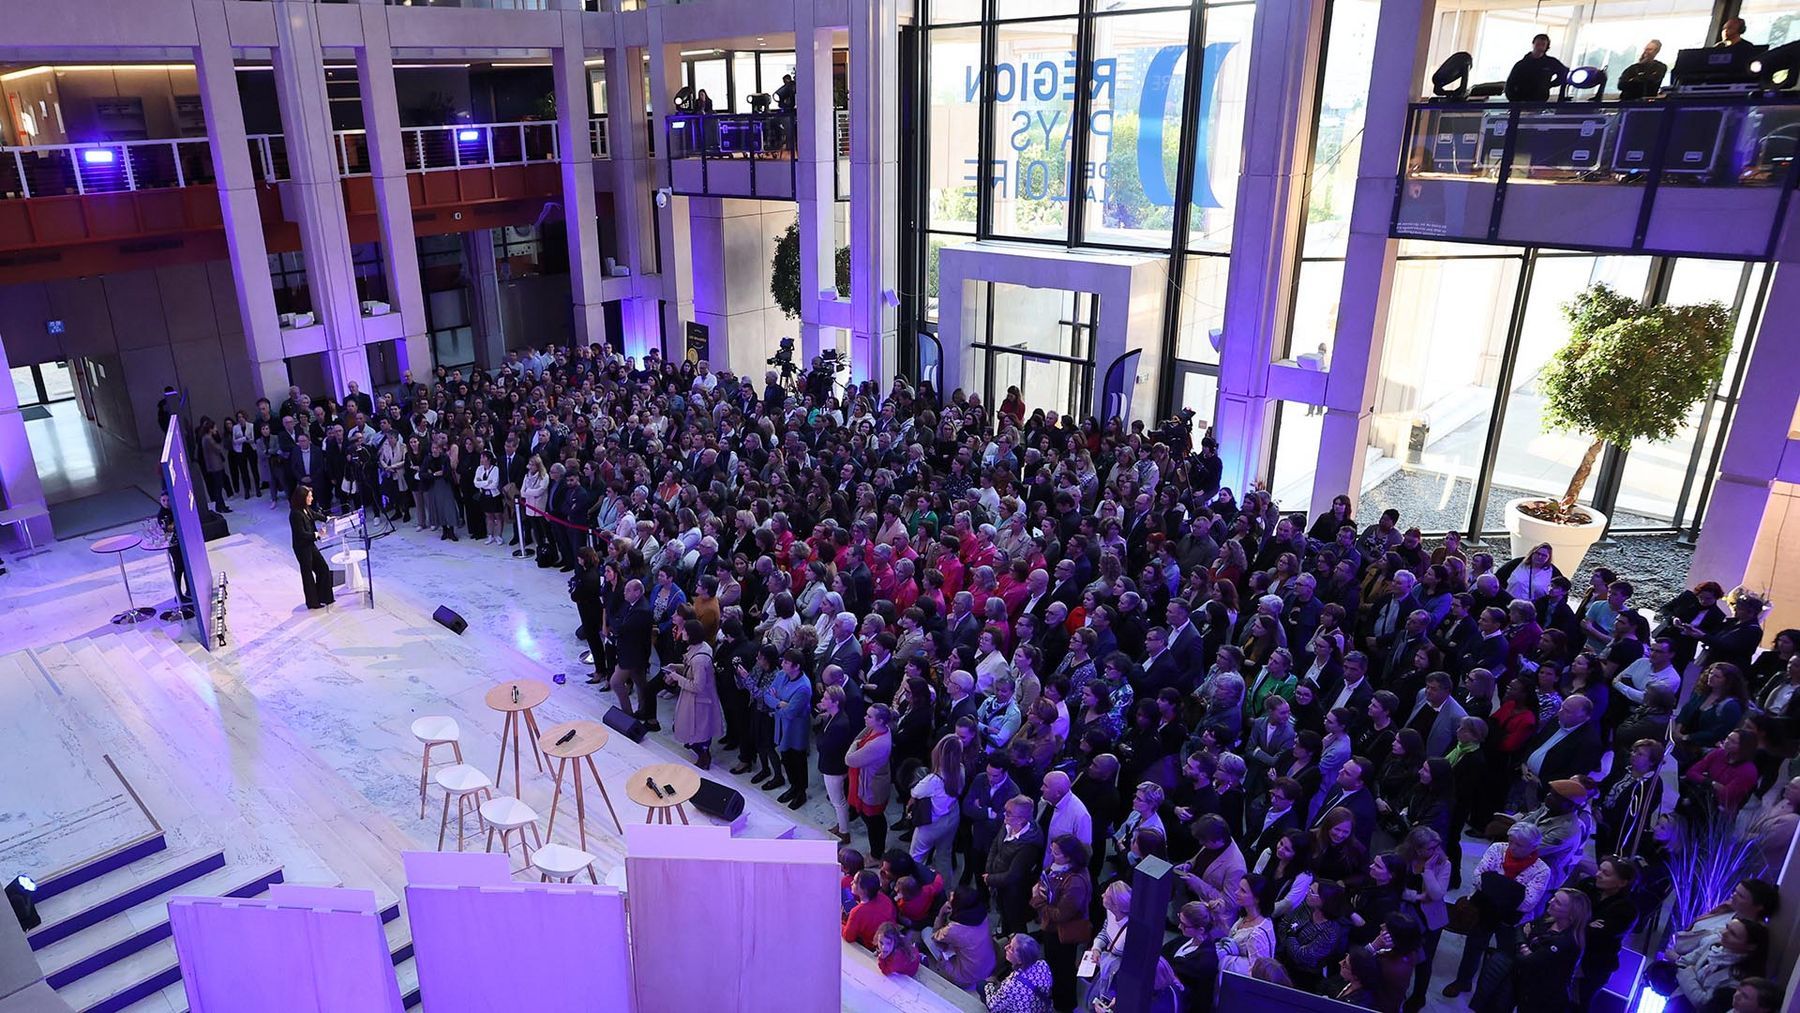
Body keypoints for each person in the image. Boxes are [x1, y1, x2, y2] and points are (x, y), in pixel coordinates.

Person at [1029, 835, 1093, 1011]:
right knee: (1055, 964)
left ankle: (1064, 1004)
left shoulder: (1075, 882)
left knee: (1063, 969)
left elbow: (1060, 915)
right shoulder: (1058, 868)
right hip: (1053, 929)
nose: (1052, 855)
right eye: (1052, 850)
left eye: (1056, 853)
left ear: (1069, 856)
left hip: (1063, 932)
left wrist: (1038, 900)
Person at [663, 618, 723, 769]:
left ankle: (704, 758)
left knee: (698, 732)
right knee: (698, 730)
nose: (682, 632)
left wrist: (676, 677)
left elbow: (697, 686)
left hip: (698, 701)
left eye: (684, 630)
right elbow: (691, 669)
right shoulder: (703, 648)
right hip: (696, 699)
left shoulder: (699, 659)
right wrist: (676, 667)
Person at [925, 887, 996, 991]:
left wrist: (941, 913)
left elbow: (935, 936)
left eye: (954, 896)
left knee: (926, 933)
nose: (951, 893)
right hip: (988, 966)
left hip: (966, 978)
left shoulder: (954, 929)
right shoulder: (982, 915)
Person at [287, 485, 335, 610]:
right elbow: (301, 534)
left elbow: (314, 515)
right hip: (302, 548)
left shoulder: (305, 509)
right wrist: (317, 534)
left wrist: (327, 519)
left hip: (309, 544)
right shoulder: (295, 514)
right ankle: (312, 602)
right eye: (309, 496)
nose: (312, 498)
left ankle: (325, 597)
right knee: (307, 574)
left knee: (323, 568)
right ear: (302, 498)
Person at [983, 933, 1055, 1013]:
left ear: (1020, 959)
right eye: (1009, 943)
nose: (1006, 947)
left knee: (981, 985)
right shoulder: (1043, 964)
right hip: (1041, 1008)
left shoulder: (1011, 985)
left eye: (1011, 948)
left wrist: (989, 984)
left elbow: (992, 1005)